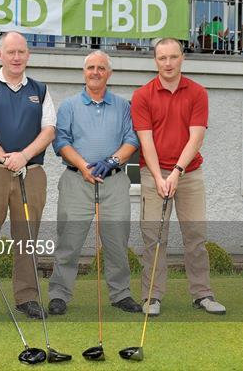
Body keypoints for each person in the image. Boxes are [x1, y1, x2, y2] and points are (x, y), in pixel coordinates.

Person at [0, 31, 56, 326]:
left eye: (21, 52)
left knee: (27, 239)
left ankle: (27, 297)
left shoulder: (40, 90)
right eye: (11, 52)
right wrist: (5, 156)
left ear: (28, 55)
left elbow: (49, 131)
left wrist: (23, 157)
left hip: (29, 173)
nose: (16, 57)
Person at [130, 38, 226, 317]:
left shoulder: (197, 92)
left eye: (173, 57)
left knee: (195, 236)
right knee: (154, 238)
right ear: (155, 61)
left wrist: (176, 172)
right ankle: (152, 296)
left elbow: (196, 137)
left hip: (189, 173)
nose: (168, 63)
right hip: (152, 174)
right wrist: (159, 176)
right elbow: (145, 141)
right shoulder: (142, 95)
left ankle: (202, 294)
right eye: (162, 58)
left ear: (182, 58)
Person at [48, 51, 141, 315]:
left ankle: (121, 294)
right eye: (91, 67)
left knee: (117, 242)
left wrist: (112, 161)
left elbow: (131, 140)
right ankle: (59, 295)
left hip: (113, 182)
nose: (96, 72)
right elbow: (61, 141)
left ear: (109, 73)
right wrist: (83, 165)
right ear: (84, 72)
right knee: (69, 242)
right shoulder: (69, 106)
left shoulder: (123, 106)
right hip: (77, 180)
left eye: (101, 68)